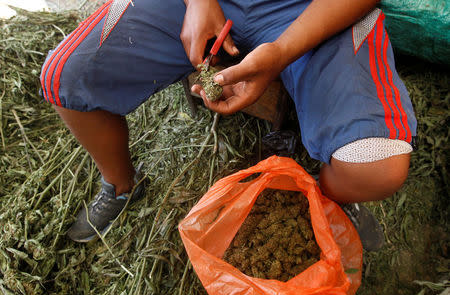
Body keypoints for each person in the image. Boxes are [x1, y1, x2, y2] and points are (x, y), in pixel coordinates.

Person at [40, 0, 417, 250]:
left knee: (378, 165)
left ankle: (327, 202)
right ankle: (120, 185)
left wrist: (283, 52)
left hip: (313, 7)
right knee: (64, 76)